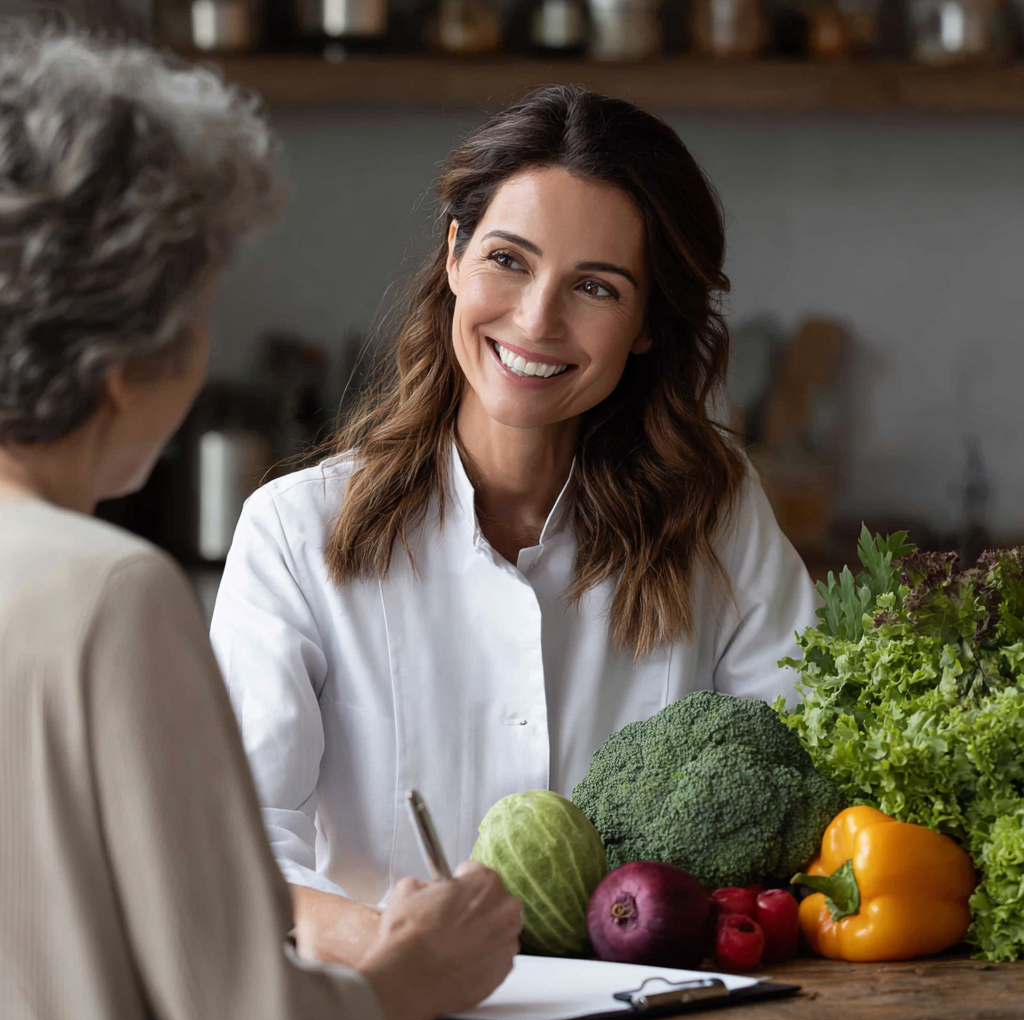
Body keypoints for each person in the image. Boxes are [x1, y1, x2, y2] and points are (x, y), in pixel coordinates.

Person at [210, 86, 818, 965]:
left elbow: (809, 779)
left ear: (648, 324)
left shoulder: (716, 518)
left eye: (597, 286)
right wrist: (398, 949)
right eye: (508, 259)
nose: (536, 320)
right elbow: (237, 850)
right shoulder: (295, 534)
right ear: (454, 254)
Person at [0, 24, 520, 1020]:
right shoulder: (109, 592)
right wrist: (414, 971)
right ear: (128, 365)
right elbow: (237, 1007)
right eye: (202, 310)